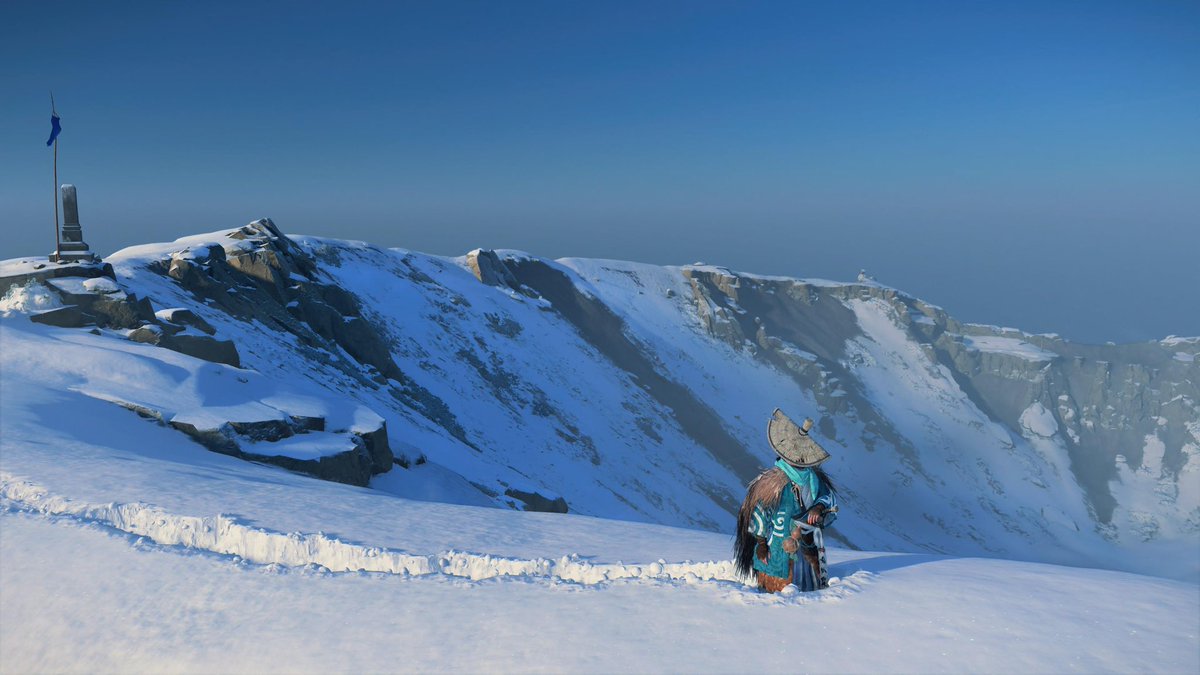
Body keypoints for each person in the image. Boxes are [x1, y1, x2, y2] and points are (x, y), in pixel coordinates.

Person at [735, 408, 838, 592]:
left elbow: (827, 497)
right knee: (777, 588)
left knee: (807, 587)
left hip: (805, 540)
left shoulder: (814, 479)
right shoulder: (773, 483)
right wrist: (760, 544)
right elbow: (759, 513)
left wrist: (818, 507)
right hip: (778, 545)